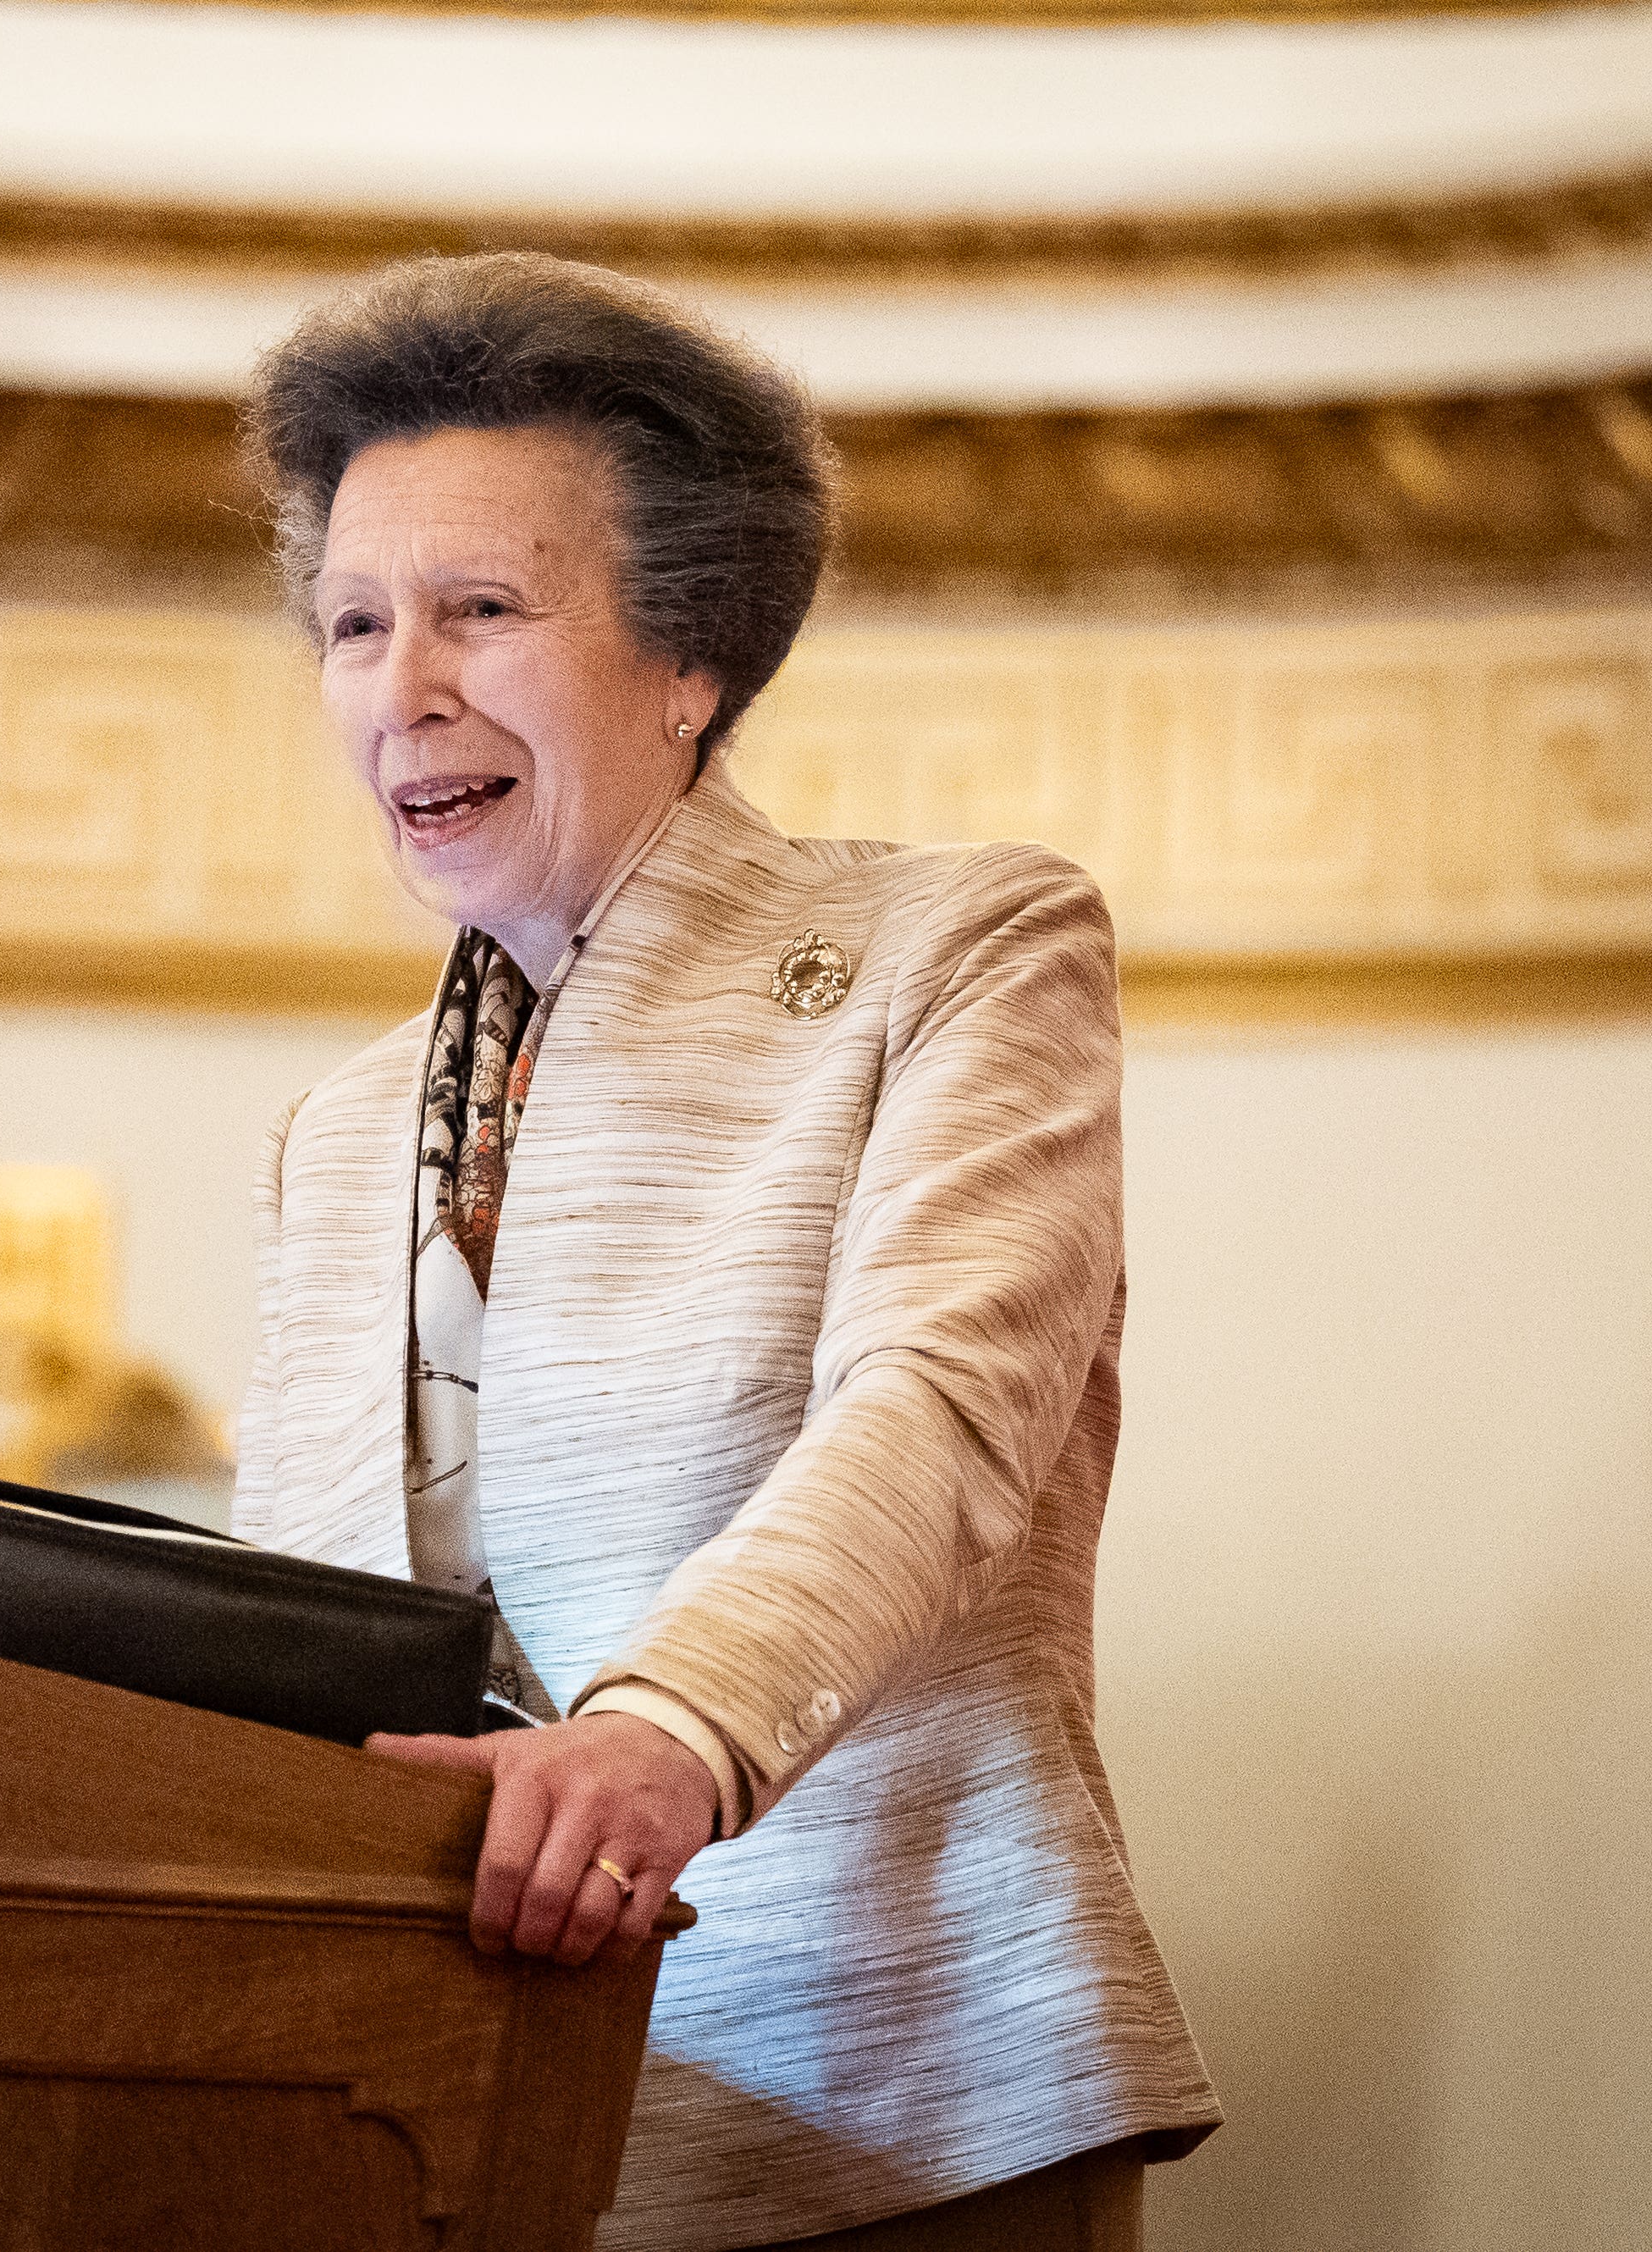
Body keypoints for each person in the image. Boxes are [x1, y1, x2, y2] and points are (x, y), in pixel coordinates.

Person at [230, 253, 1221, 2252]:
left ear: (690, 655)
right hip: (433, 2111)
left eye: (480, 611)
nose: (398, 685)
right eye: (351, 622)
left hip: (893, 2089)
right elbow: (295, 1630)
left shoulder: (954, 951)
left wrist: (662, 1732)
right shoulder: (340, 1134)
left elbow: (938, 1412)